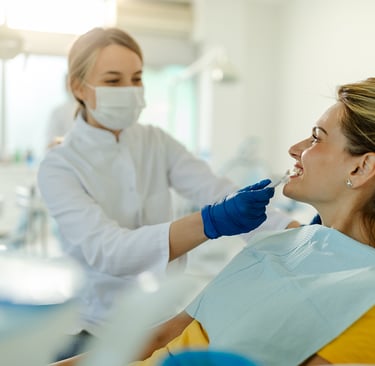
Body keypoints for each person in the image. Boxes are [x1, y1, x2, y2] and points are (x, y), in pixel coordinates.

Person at [37, 27, 298, 360]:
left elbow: (218, 191)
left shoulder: (155, 142)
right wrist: (211, 222)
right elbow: (111, 252)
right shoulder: (60, 166)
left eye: (136, 78)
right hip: (95, 329)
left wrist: (306, 237)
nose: (130, 90)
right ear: (78, 87)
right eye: (114, 81)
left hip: (160, 317)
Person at [119, 77, 375, 366]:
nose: (294, 149)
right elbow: (161, 336)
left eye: (316, 137)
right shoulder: (280, 244)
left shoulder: (367, 302)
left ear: (361, 167)